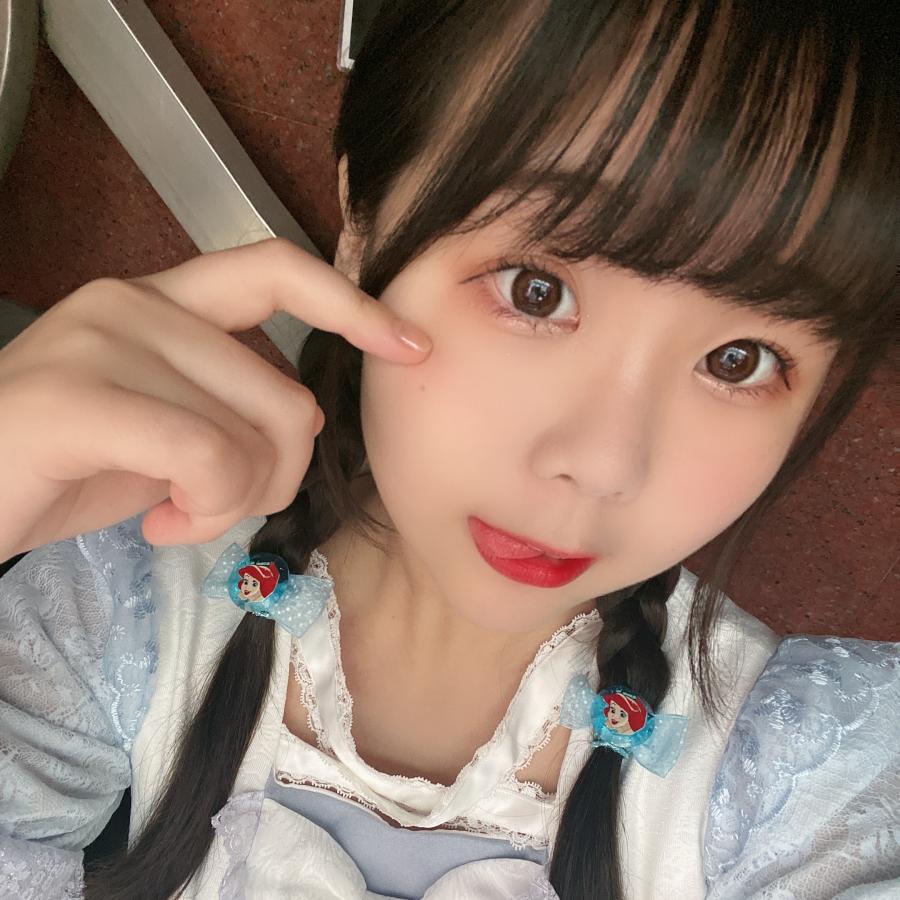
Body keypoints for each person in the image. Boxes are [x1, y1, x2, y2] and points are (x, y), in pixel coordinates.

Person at [0, 1, 897, 898]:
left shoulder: (805, 773)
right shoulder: (123, 599)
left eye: (738, 361)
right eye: (536, 290)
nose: (601, 464)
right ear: (364, 225)